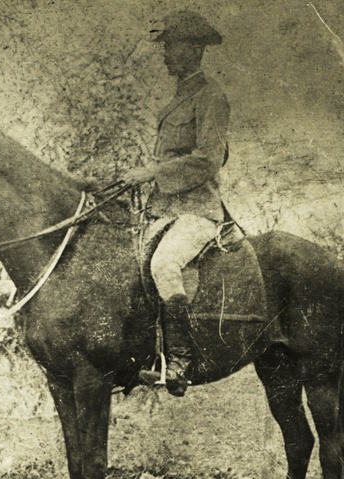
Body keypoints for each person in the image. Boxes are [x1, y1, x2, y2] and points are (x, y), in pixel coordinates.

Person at [124, 10, 230, 397]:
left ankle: (181, 362)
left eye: (173, 46)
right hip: (164, 210)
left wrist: (151, 173)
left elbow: (208, 159)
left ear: (195, 49)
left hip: (197, 210)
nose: (166, 53)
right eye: (166, 45)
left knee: (165, 263)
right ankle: (146, 355)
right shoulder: (179, 98)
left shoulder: (212, 97)